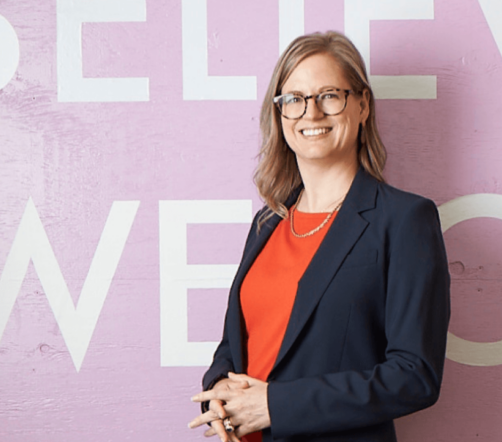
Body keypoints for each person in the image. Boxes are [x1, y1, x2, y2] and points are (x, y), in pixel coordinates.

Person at [188, 31, 451, 442]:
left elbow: (415, 376)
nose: (311, 113)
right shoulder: (266, 224)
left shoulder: (404, 219)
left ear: (362, 105)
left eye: (329, 95)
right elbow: (237, 344)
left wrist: (275, 405)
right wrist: (220, 389)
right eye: (294, 99)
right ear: (279, 114)